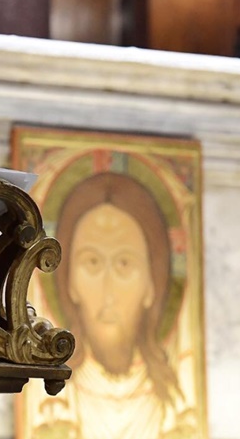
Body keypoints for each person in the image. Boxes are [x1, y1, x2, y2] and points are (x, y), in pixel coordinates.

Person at [28, 172, 197, 439]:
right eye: (92, 263)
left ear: (152, 285)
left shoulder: (174, 408)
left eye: (124, 263)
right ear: (69, 282)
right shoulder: (57, 405)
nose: (108, 290)